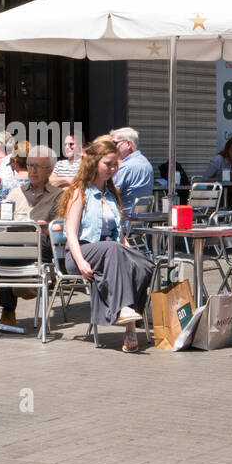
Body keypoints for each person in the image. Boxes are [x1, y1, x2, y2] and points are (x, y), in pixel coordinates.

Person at [60, 137, 154, 353]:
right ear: (94, 163)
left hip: (110, 252)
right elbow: (71, 235)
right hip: (81, 252)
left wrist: (131, 253)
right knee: (113, 250)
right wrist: (81, 261)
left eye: (115, 164)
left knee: (144, 264)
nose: (112, 168)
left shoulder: (111, 195)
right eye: (108, 164)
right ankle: (123, 311)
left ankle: (129, 321)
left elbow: (119, 237)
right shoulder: (79, 192)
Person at [0, 146, 64, 326]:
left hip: (42, 245)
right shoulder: (16, 192)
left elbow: (61, 226)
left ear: (50, 171)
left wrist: (48, 228)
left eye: (38, 166)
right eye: (29, 165)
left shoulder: (59, 196)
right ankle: (23, 287)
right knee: (5, 245)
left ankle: (13, 303)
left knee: (9, 248)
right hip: (15, 246)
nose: (32, 170)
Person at [110, 127, 153, 217]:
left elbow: (111, 193)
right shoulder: (145, 162)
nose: (111, 148)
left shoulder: (126, 166)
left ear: (128, 144)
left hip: (125, 221)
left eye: (114, 143)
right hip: (141, 221)